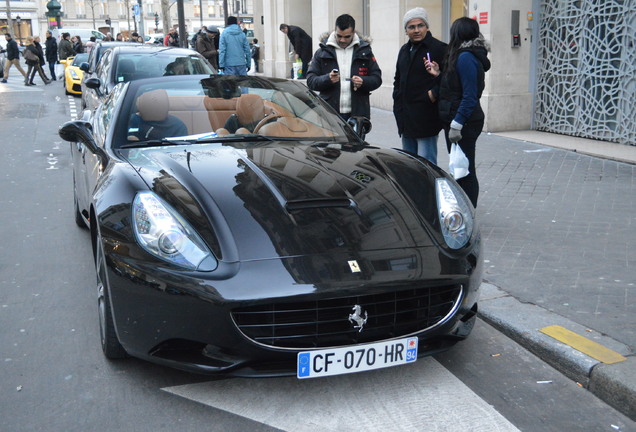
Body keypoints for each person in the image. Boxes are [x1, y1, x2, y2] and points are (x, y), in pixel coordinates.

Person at [426, 17, 491, 207]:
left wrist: (457, 123)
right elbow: (455, 88)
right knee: (459, 167)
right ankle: (465, 208)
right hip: (457, 119)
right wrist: (439, 74)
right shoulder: (462, 55)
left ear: (458, 34)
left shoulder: (466, 58)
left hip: (464, 123)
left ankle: (468, 211)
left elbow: (470, 96)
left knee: (465, 169)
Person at [393, 7, 447, 165]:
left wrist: (433, 94)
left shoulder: (439, 48)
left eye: (420, 25)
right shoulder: (404, 50)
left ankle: (429, 190)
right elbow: (398, 78)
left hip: (426, 116)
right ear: (406, 30)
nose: (416, 30)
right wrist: (397, 98)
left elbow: (450, 79)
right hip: (406, 117)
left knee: (426, 164)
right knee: (409, 164)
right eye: (411, 27)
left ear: (427, 27)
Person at [306, 14, 382, 121]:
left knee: (357, 138)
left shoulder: (365, 51)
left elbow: (377, 79)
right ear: (335, 30)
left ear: (353, 32)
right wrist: (328, 79)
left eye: (347, 37)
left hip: (358, 114)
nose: (342, 40)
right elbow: (310, 81)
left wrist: (363, 81)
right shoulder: (322, 52)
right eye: (339, 36)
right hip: (329, 114)